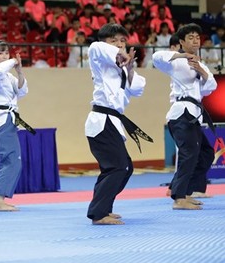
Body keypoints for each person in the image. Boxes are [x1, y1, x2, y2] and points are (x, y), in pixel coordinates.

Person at [85, 23, 152, 225]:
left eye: (122, 41)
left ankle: (104, 207)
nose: (119, 44)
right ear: (106, 43)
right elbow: (96, 47)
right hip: (101, 120)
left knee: (124, 167)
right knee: (117, 167)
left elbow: (138, 88)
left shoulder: (122, 70)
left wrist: (130, 70)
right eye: (113, 41)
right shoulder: (99, 59)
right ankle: (98, 213)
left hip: (112, 121)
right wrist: (119, 54)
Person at [153, 23, 217, 210]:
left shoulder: (201, 65)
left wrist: (200, 69)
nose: (195, 40)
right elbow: (157, 57)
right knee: (189, 154)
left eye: (197, 37)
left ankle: (190, 191)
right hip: (181, 113)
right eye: (190, 37)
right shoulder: (176, 61)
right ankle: (179, 197)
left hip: (194, 114)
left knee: (206, 153)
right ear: (181, 42)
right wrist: (183, 55)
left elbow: (210, 87)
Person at [0, 40, 28, 211]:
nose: (4, 56)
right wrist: (12, 61)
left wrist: (20, 72)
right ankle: (0, 200)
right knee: (12, 161)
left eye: (6, 53)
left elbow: (22, 92)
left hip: (7, 120)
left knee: (9, 161)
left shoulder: (9, 76)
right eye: (0, 53)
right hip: (1, 120)